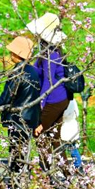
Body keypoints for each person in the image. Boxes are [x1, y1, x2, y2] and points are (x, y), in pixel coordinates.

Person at [0, 36, 42, 188]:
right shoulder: (33, 72)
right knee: (21, 152)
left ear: (16, 53)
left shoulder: (17, 72)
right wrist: (38, 121)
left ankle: (14, 186)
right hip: (30, 118)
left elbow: (6, 97)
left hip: (17, 119)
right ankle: (17, 183)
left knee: (16, 153)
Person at [26, 13, 69, 172]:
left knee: (39, 134)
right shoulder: (51, 51)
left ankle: (45, 173)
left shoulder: (50, 54)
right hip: (60, 99)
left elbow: (48, 82)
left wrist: (40, 104)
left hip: (53, 100)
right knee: (55, 139)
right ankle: (68, 174)